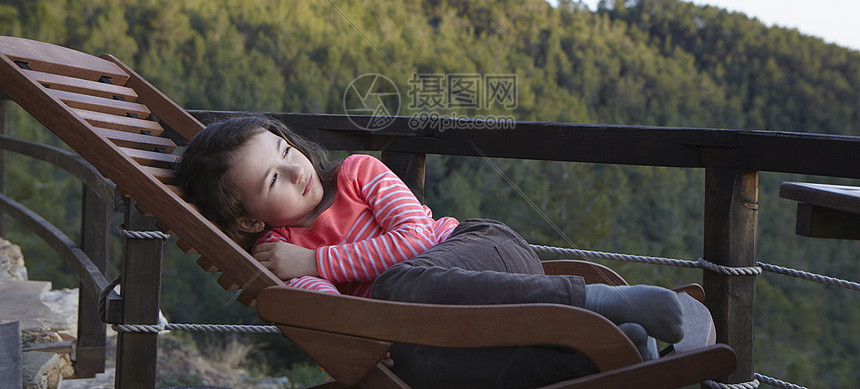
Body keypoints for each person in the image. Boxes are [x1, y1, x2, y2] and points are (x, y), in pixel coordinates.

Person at [175, 115, 685, 389]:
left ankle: (597, 304)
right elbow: (330, 313)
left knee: (400, 282)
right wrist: (363, 333)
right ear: (248, 219)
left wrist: (318, 262)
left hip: (481, 253)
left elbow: (417, 239)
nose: (296, 171)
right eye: (273, 179)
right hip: (442, 328)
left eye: (286, 152)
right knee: (418, 369)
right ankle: (609, 356)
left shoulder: (357, 172)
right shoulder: (277, 251)